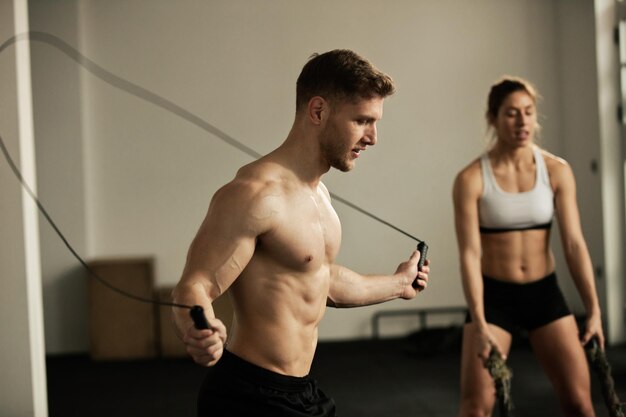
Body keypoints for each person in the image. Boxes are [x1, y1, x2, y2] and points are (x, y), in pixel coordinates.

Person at [172, 49, 430, 417]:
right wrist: (195, 327)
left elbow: (319, 279)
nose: (373, 138)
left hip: (302, 391)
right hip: (248, 397)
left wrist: (398, 284)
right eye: (362, 121)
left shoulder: (319, 194)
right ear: (318, 111)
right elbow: (195, 285)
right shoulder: (256, 194)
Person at [453, 76, 604, 417]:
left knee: (580, 404)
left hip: (543, 293)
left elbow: (574, 244)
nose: (522, 121)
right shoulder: (471, 178)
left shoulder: (557, 171)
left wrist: (593, 310)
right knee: (476, 409)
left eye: (528, 112)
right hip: (494, 299)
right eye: (511, 113)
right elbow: (469, 255)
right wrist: (478, 322)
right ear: (493, 118)